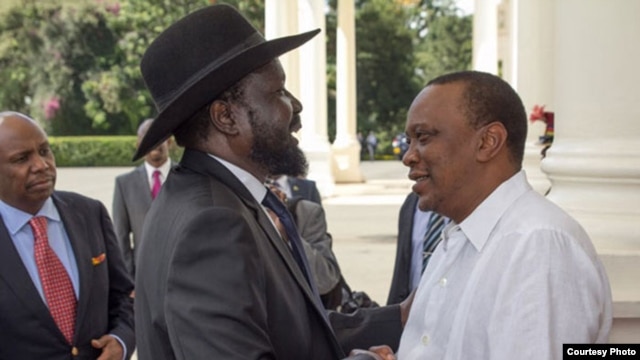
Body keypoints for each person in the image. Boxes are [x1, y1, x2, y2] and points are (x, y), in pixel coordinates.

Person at [132, 5, 405, 360]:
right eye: (278, 92)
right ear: (226, 116)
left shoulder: (217, 198)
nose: (297, 106)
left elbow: (289, 328)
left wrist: (397, 317)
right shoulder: (212, 223)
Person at [386, 70, 611, 359]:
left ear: (488, 142)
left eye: (424, 137)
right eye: (409, 141)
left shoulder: (536, 245)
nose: (409, 155)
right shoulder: (459, 234)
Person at [0, 111, 135, 359]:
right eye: (21, 158)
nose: (42, 165)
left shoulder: (89, 213)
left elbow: (125, 296)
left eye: (44, 151)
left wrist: (121, 340)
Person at [112, 118, 173, 276]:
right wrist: (129, 281)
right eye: (146, 138)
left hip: (184, 274)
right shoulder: (124, 184)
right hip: (143, 277)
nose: (153, 143)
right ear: (138, 145)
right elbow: (121, 237)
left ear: (170, 141)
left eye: (158, 137)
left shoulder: (188, 177)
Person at [387, 192, 448, 305]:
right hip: (413, 316)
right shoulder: (412, 203)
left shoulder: (474, 205)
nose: (412, 175)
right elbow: (401, 273)